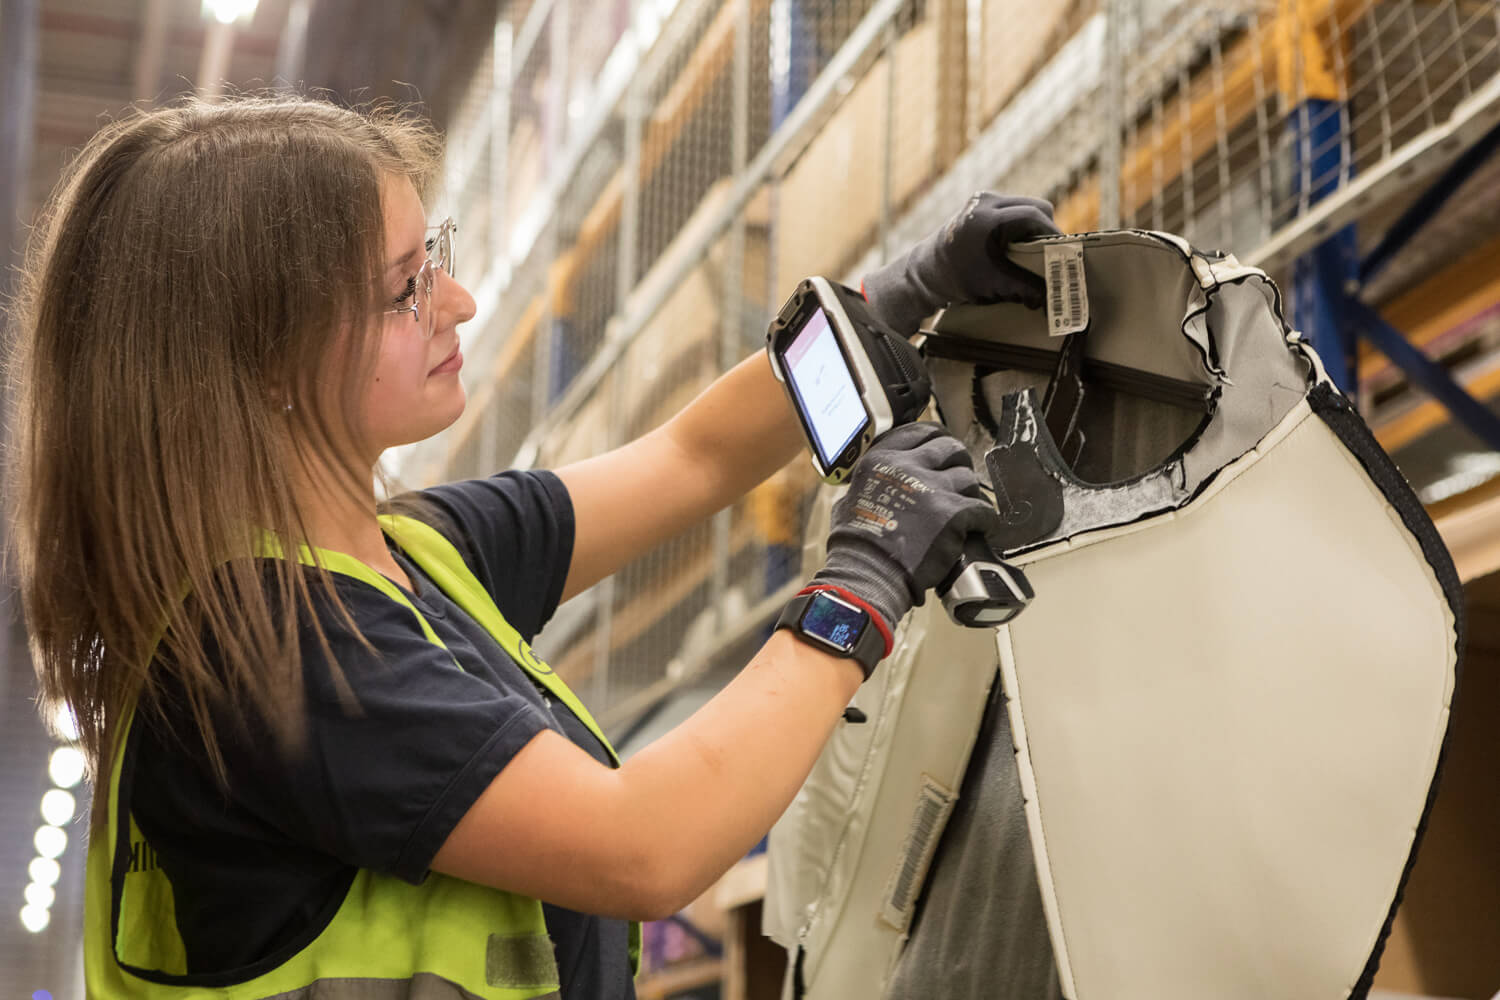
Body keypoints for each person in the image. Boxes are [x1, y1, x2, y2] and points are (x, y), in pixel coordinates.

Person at [6, 94, 1057, 998]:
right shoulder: (276, 655)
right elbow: (644, 845)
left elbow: (690, 456)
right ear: (264, 364)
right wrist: (860, 583)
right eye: (404, 288)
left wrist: (901, 292)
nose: (455, 303)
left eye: (437, 259)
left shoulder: (413, 554)